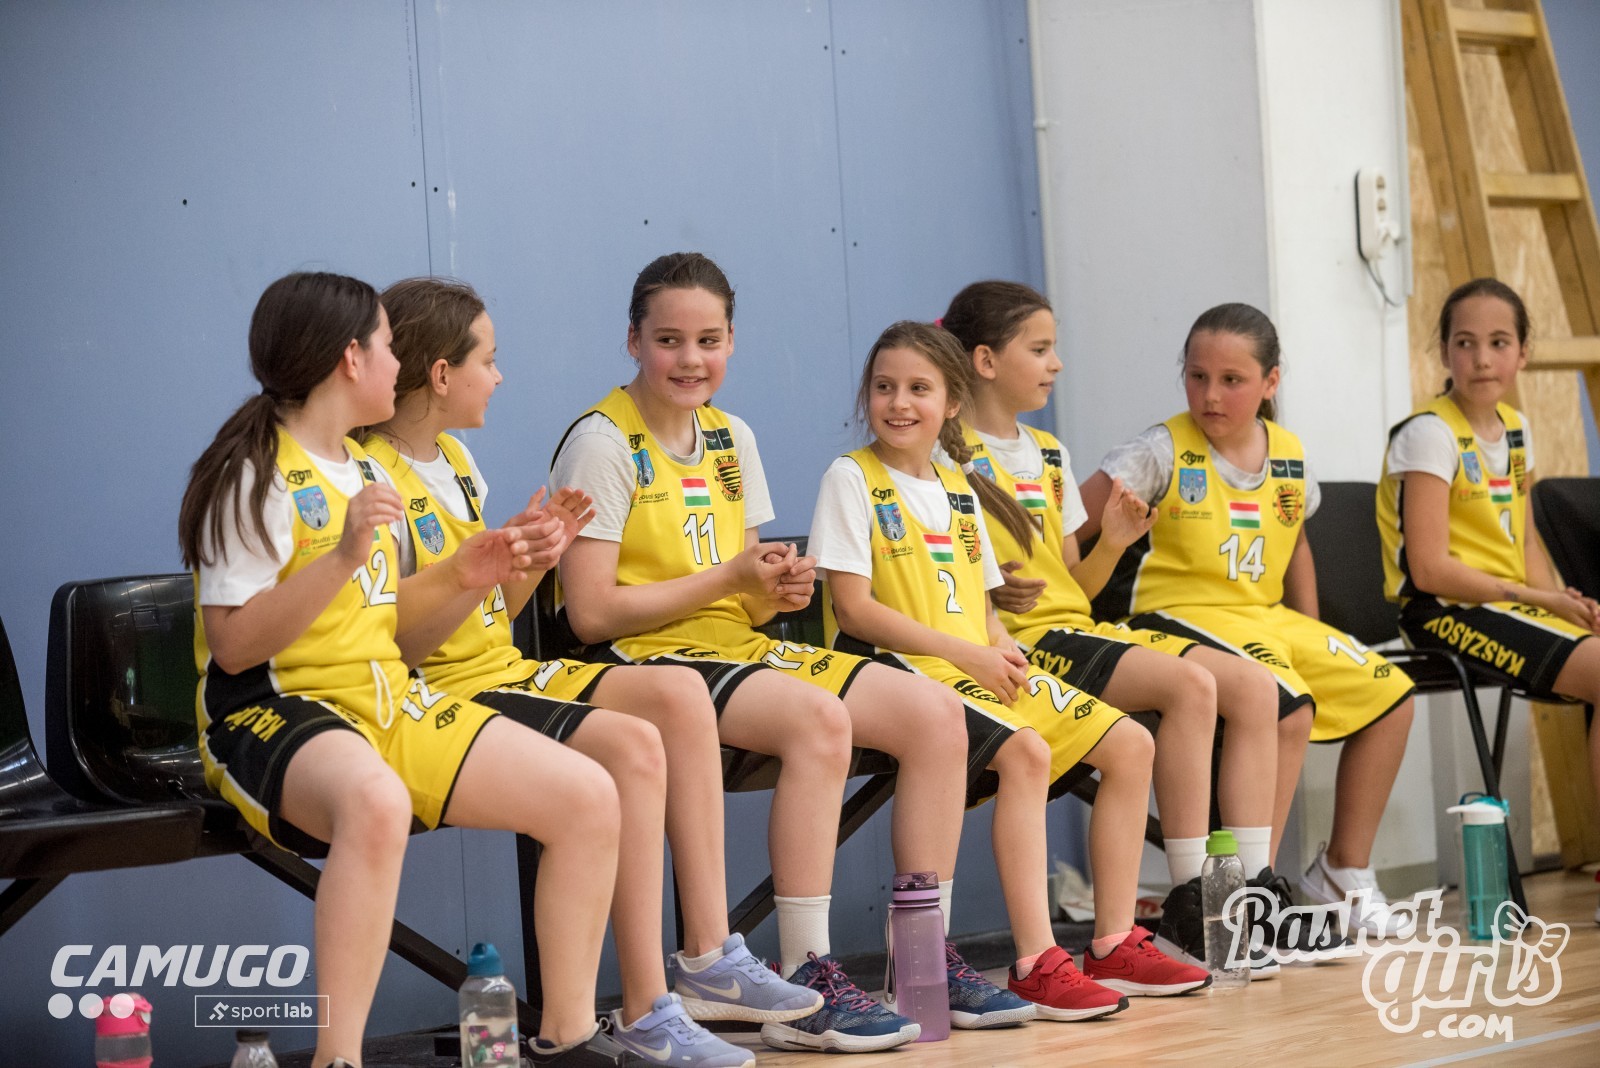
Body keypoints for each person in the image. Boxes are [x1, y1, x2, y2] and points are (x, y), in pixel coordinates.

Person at [554, 252, 1007, 1051]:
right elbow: (589, 615)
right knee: (820, 721)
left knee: (937, 718)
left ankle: (922, 958)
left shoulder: (732, 438)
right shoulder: (602, 441)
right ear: (632, 341)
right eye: (668, 340)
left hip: (731, 647)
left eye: (709, 340)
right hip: (645, 660)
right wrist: (729, 580)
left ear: (731, 342)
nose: (691, 359)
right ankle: (806, 975)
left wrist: (775, 591)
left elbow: (745, 591)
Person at [363, 277, 819, 1068]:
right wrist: (484, 571)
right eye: (488, 360)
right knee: (633, 748)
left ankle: (705, 960)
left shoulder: (456, 460)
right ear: (440, 374)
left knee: (677, 695)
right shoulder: (372, 478)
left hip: (500, 665)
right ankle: (644, 1007)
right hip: (440, 691)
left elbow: (493, 613)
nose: (499, 376)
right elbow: (401, 644)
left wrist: (528, 558)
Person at [179, 272, 620, 1068]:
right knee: (376, 801)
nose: (398, 362)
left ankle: (567, 1039)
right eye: (387, 346)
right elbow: (235, 645)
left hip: (383, 696)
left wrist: (468, 574)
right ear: (350, 359)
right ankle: (339, 1057)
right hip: (272, 707)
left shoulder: (367, 469)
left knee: (587, 796)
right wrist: (340, 557)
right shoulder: (253, 471)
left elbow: (389, 621)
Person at [811, 319, 1211, 1018]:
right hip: (903, 673)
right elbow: (854, 610)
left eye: (918, 388)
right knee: (1026, 752)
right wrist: (968, 652)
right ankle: (1035, 961)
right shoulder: (851, 478)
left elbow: (984, 608)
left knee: (1130, 744)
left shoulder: (956, 486)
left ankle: (1114, 942)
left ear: (951, 402)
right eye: (884, 387)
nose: (899, 403)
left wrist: (1000, 647)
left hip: (971, 664)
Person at [937, 281, 1286, 972]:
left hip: (1076, 629)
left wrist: (1115, 544)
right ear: (985, 360)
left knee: (1235, 685)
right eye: (1040, 349)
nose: (1056, 363)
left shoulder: (1049, 452)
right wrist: (990, 594)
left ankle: (1219, 893)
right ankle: (1193, 900)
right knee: (1190, 686)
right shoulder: (949, 454)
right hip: (1021, 644)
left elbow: (1076, 587)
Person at [1082, 302, 1419, 939]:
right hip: (1172, 616)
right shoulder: (1158, 450)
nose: (1210, 394)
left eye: (1231, 380)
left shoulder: (1288, 453)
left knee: (1393, 697)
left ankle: (1342, 871)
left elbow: (1297, 546)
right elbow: (1069, 527)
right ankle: (1243, 894)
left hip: (1263, 617)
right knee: (1289, 704)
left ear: (1270, 382)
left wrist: (1313, 629)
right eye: (1197, 376)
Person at [1376, 277, 1600, 922]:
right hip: (1440, 612)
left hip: (1506, 604)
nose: (1481, 358)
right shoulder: (1428, 434)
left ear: (1523, 353)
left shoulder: (1517, 430)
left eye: (1498, 343)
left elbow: (1523, 538)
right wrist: (1532, 596)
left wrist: (1559, 599)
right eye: (1465, 342)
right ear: (1444, 352)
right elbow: (1429, 568)